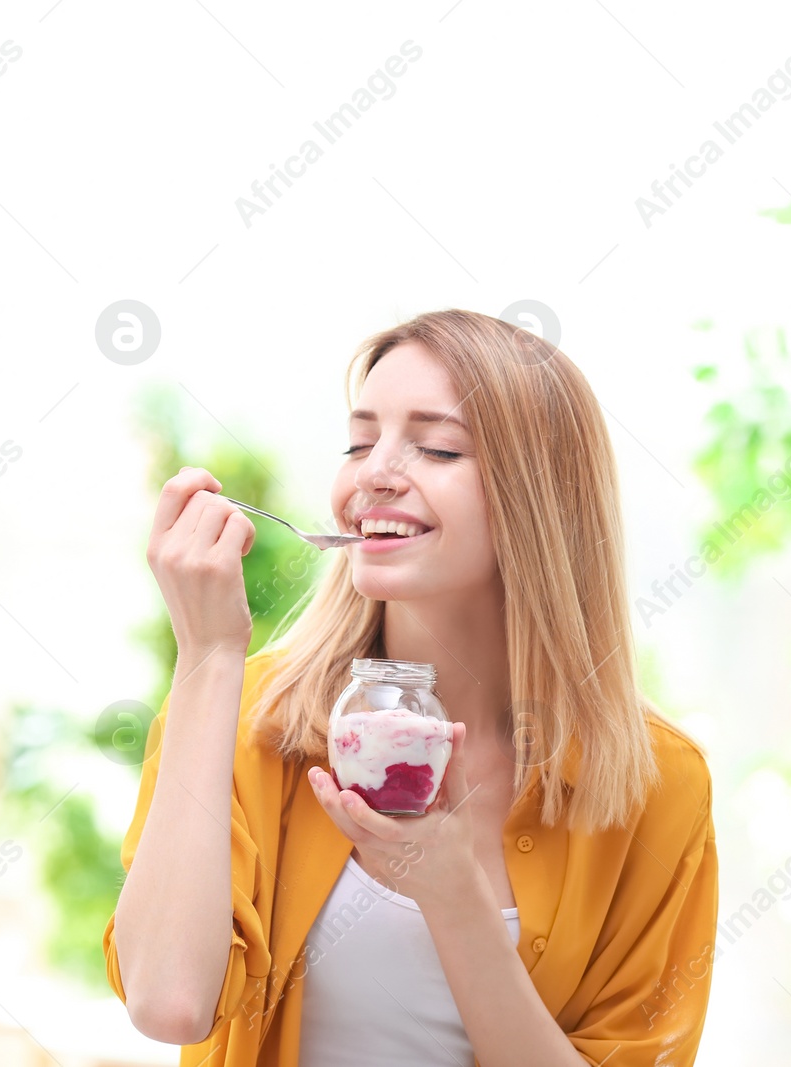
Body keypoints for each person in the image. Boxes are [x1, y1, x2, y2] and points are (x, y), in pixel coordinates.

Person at [104, 308, 718, 1066]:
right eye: (360, 442)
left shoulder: (658, 783)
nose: (373, 473)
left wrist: (452, 891)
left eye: (436, 447)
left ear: (541, 501)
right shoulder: (238, 716)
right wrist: (205, 653)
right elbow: (167, 1001)